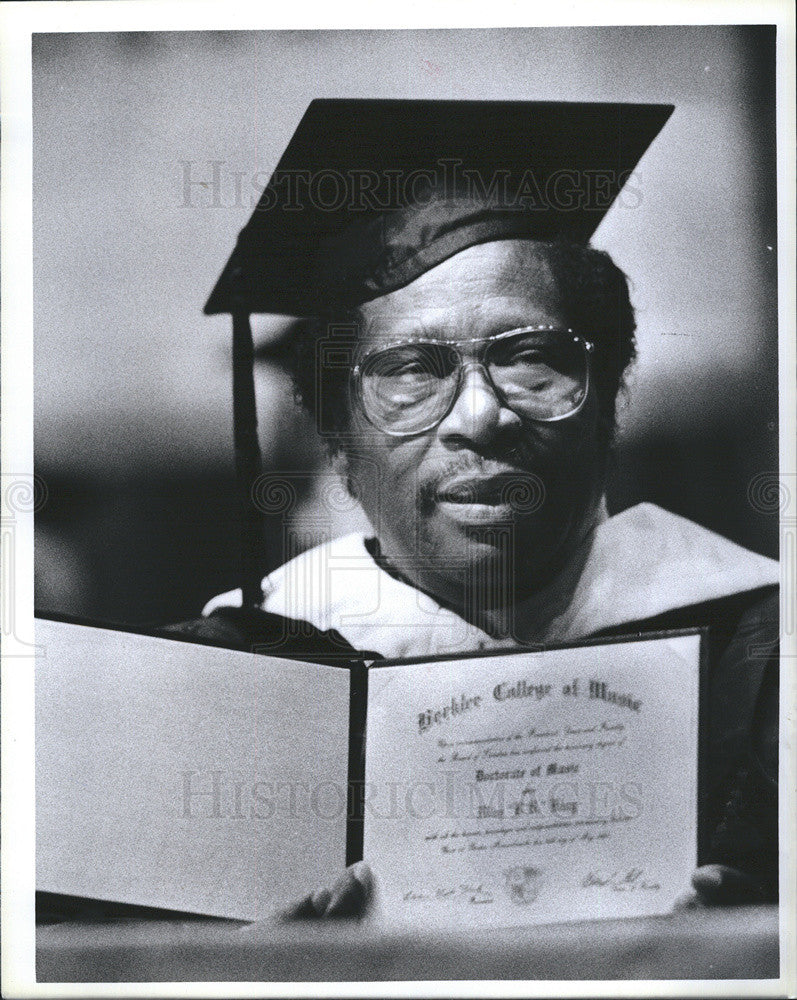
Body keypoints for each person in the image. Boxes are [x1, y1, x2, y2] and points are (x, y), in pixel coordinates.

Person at [169, 99, 780, 916]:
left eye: (531, 359)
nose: (479, 417)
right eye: (413, 370)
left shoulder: (767, 652)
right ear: (337, 434)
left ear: (610, 402)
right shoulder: (228, 681)